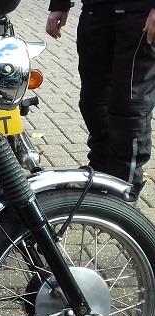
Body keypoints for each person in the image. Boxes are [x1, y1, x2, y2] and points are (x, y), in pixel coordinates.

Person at [47, 0, 155, 198]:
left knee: (129, 107)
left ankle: (124, 188)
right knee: (92, 101)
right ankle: (100, 174)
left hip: (139, 15)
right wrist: (59, 5)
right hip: (94, 12)